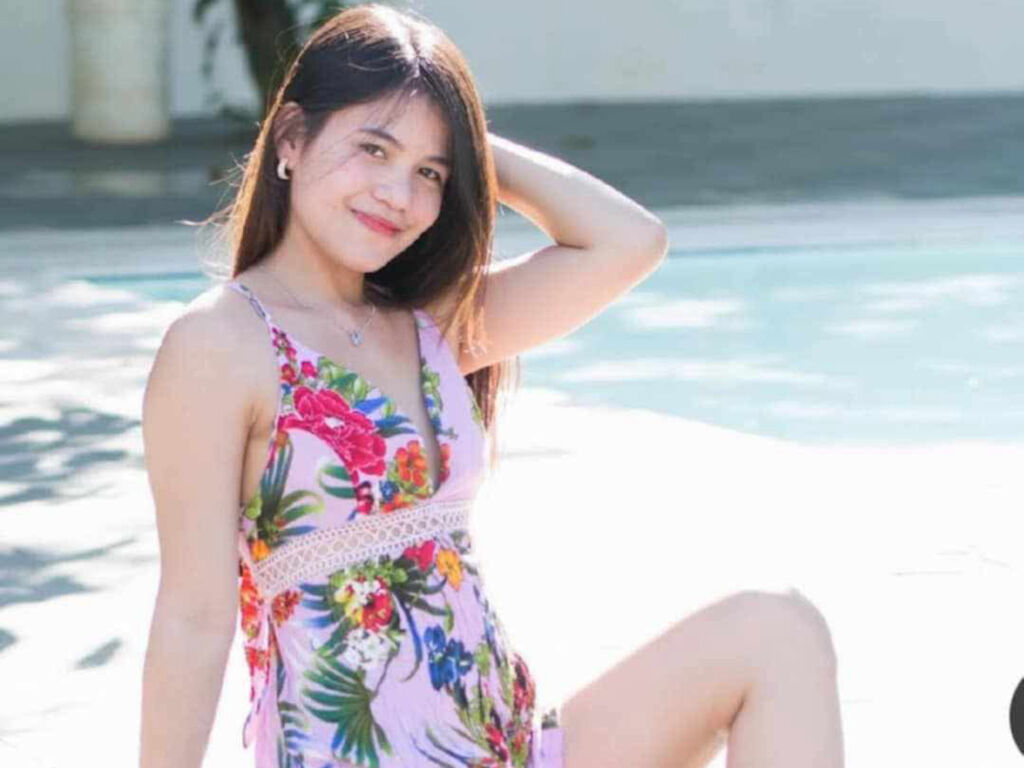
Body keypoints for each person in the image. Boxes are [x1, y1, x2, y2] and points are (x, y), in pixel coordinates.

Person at [139, 4, 844, 768]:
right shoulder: (221, 344)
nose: (398, 194)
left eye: (429, 173)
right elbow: (193, 619)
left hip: (507, 745)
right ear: (291, 138)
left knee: (778, 630)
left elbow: (629, 241)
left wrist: (466, 139)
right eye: (373, 149)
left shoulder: (427, 327)